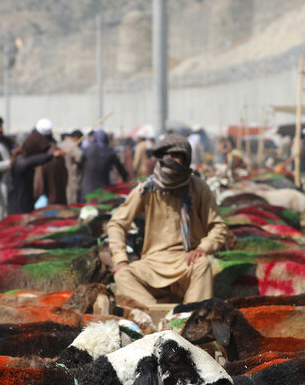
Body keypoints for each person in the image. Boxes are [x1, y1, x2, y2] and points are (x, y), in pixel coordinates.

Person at [106, 134, 230, 306]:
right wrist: (121, 259)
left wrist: (203, 248)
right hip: (153, 262)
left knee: (202, 265)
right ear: (161, 158)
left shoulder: (199, 188)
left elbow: (218, 226)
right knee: (122, 275)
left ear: (186, 160)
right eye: (168, 156)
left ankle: (189, 317)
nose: (172, 160)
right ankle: (154, 316)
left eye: (177, 156)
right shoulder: (146, 189)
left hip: (187, 260)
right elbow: (117, 224)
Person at [8, 122, 62, 214]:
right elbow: (33, 161)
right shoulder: (21, 161)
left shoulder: (22, 157)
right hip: (19, 206)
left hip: (26, 203)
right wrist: (51, 155)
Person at [82, 129, 128, 198]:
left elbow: (81, 160)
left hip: (88, 187)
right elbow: (120, 168)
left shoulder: (88, 149)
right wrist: (125, 179)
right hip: (103, 188)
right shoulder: (110, 151)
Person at [60, 130, 85, 205]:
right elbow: (81, 157)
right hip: (72, 178)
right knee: (72, 202)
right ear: (77, 138)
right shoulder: (73, 146)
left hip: (62, 178)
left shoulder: (61, 144)